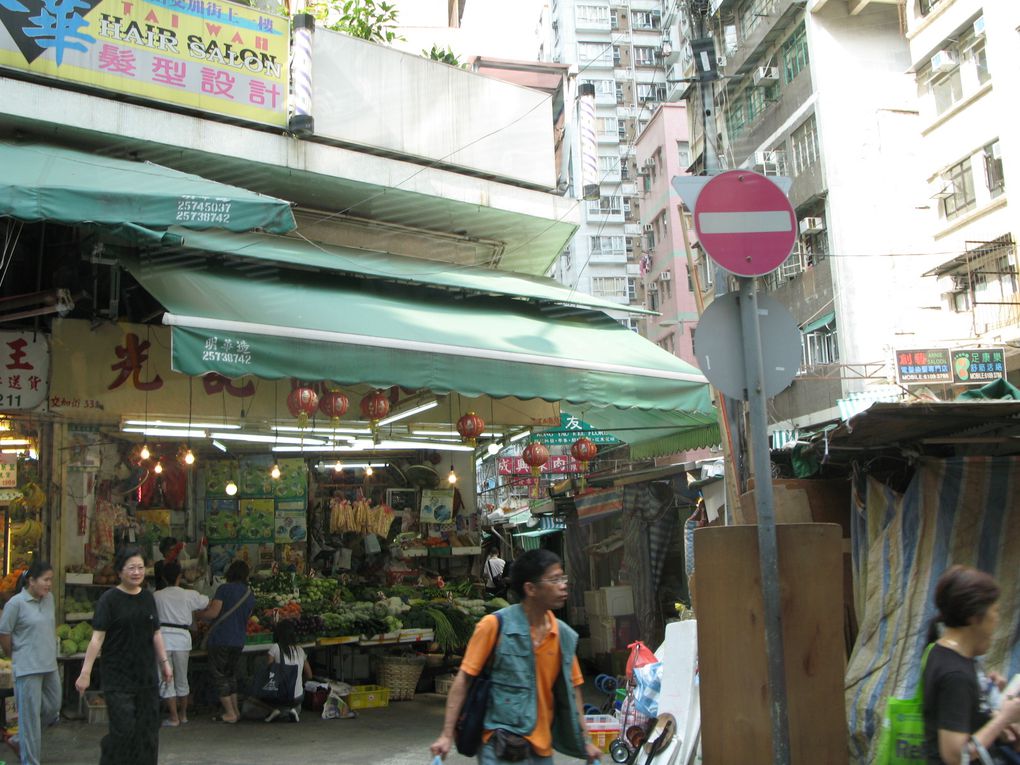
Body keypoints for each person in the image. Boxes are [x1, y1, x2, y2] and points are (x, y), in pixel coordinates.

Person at [430, 548, 601, 765]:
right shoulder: (494, 626)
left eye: (563, 577)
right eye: (555, 579)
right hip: (500, 745)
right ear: (530, 588)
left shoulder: (563, 635)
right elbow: (463, 680)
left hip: (541, 748)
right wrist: (446, 735)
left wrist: (584, 740)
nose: (563, 584)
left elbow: (573, 690)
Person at [75, 547, 174, 765]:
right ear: (120, 571)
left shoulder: (148, 598)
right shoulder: (109, 600)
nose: (137, 572)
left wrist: (165, 663)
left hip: (146, 677)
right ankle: (110, 755)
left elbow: (156, 633)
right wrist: (85, 673)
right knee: (124, 731)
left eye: (140, 567)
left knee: (148, 732)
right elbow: (97, 639)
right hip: (118, 678)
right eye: (131, 568)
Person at [922, 564, 1020, 764]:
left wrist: (989, 701)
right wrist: (1003, 718)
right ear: (974, 617)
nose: (997, 621)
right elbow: (956, 756)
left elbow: (960, 716)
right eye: (995, 612)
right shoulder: (955, 674)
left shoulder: (943, 652)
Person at [0, 561, 61, 765]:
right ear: (31, 581)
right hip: (27, 668)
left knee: (53, 708)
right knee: (30, 719)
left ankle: (19, 739)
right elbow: (5, 633)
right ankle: (30, 761)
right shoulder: (15, 603)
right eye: (45, 580)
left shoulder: (49, 599)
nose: (49, 584)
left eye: (51, 580)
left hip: (49, 664)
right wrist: (15, 655)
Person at [197, 559, 255, 724]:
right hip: (238, 640)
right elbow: (248, 617)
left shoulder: (224, 589)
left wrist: (197, 616)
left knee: (220, 675)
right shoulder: (249, 594)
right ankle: (235, 710)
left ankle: (230, 713)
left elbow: (213, 613)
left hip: (221, 638)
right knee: (230, 674)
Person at [153, 560, 209, 726]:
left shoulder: (157, 596)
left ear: (163, 577)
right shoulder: (188, 594)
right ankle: (183, 715)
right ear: (180, 576)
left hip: (163, 639)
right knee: (182, 678)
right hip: (183, 639)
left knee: (166, 678)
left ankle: (173, 717)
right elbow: (206, 601)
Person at [262, 619, 312, 723]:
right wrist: (300, 682)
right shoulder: (300, 650)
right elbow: (309, 675)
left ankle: (275, 711)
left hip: (280, 695)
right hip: (297, 696)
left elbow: (269, 671)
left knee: (263, 692)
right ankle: (294, 711)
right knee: (296, 701)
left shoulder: (275, 648)